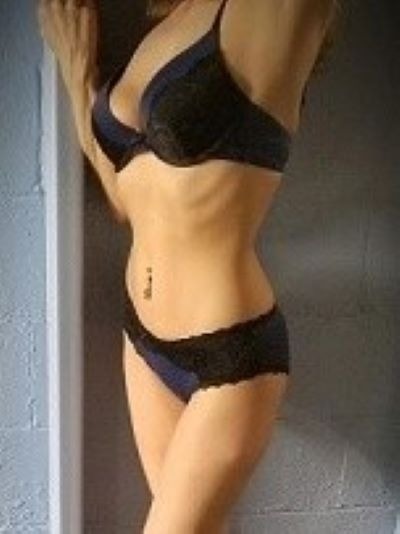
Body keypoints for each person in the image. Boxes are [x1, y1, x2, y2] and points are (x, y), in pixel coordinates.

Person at [37, 0, 341, 532]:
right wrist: (77, 70)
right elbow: (127, 202)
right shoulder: (166, 24)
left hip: (228, 353)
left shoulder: (266, 12)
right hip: (143, 341)